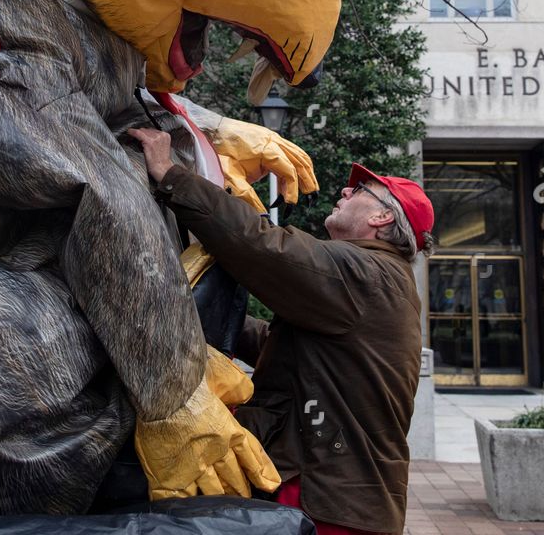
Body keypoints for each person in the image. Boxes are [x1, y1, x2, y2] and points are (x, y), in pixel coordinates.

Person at [129, 127, 433, 535]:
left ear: (382, 217)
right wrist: (188, 319)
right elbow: (287, 347)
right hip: (338, 496)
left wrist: (172, 175)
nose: (344, 193)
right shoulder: (379, 279)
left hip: (323, 499)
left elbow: (265, 247)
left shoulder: (366, 273)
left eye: (360, 189)